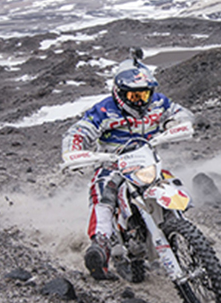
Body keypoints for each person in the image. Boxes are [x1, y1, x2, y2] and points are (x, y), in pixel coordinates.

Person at [61, 49, 195, 280]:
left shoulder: (158, 102)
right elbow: (79, 130)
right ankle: (100, 244)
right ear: (119, 92)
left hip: (146, 160)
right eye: (134, 96)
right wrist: (74, 149)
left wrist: (176, 123)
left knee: (170, 180)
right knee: (103, 194)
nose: (141, 101)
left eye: (145, 95)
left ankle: (181, 227)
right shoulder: (103, 110)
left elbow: (181, 113)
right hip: (113, 163)